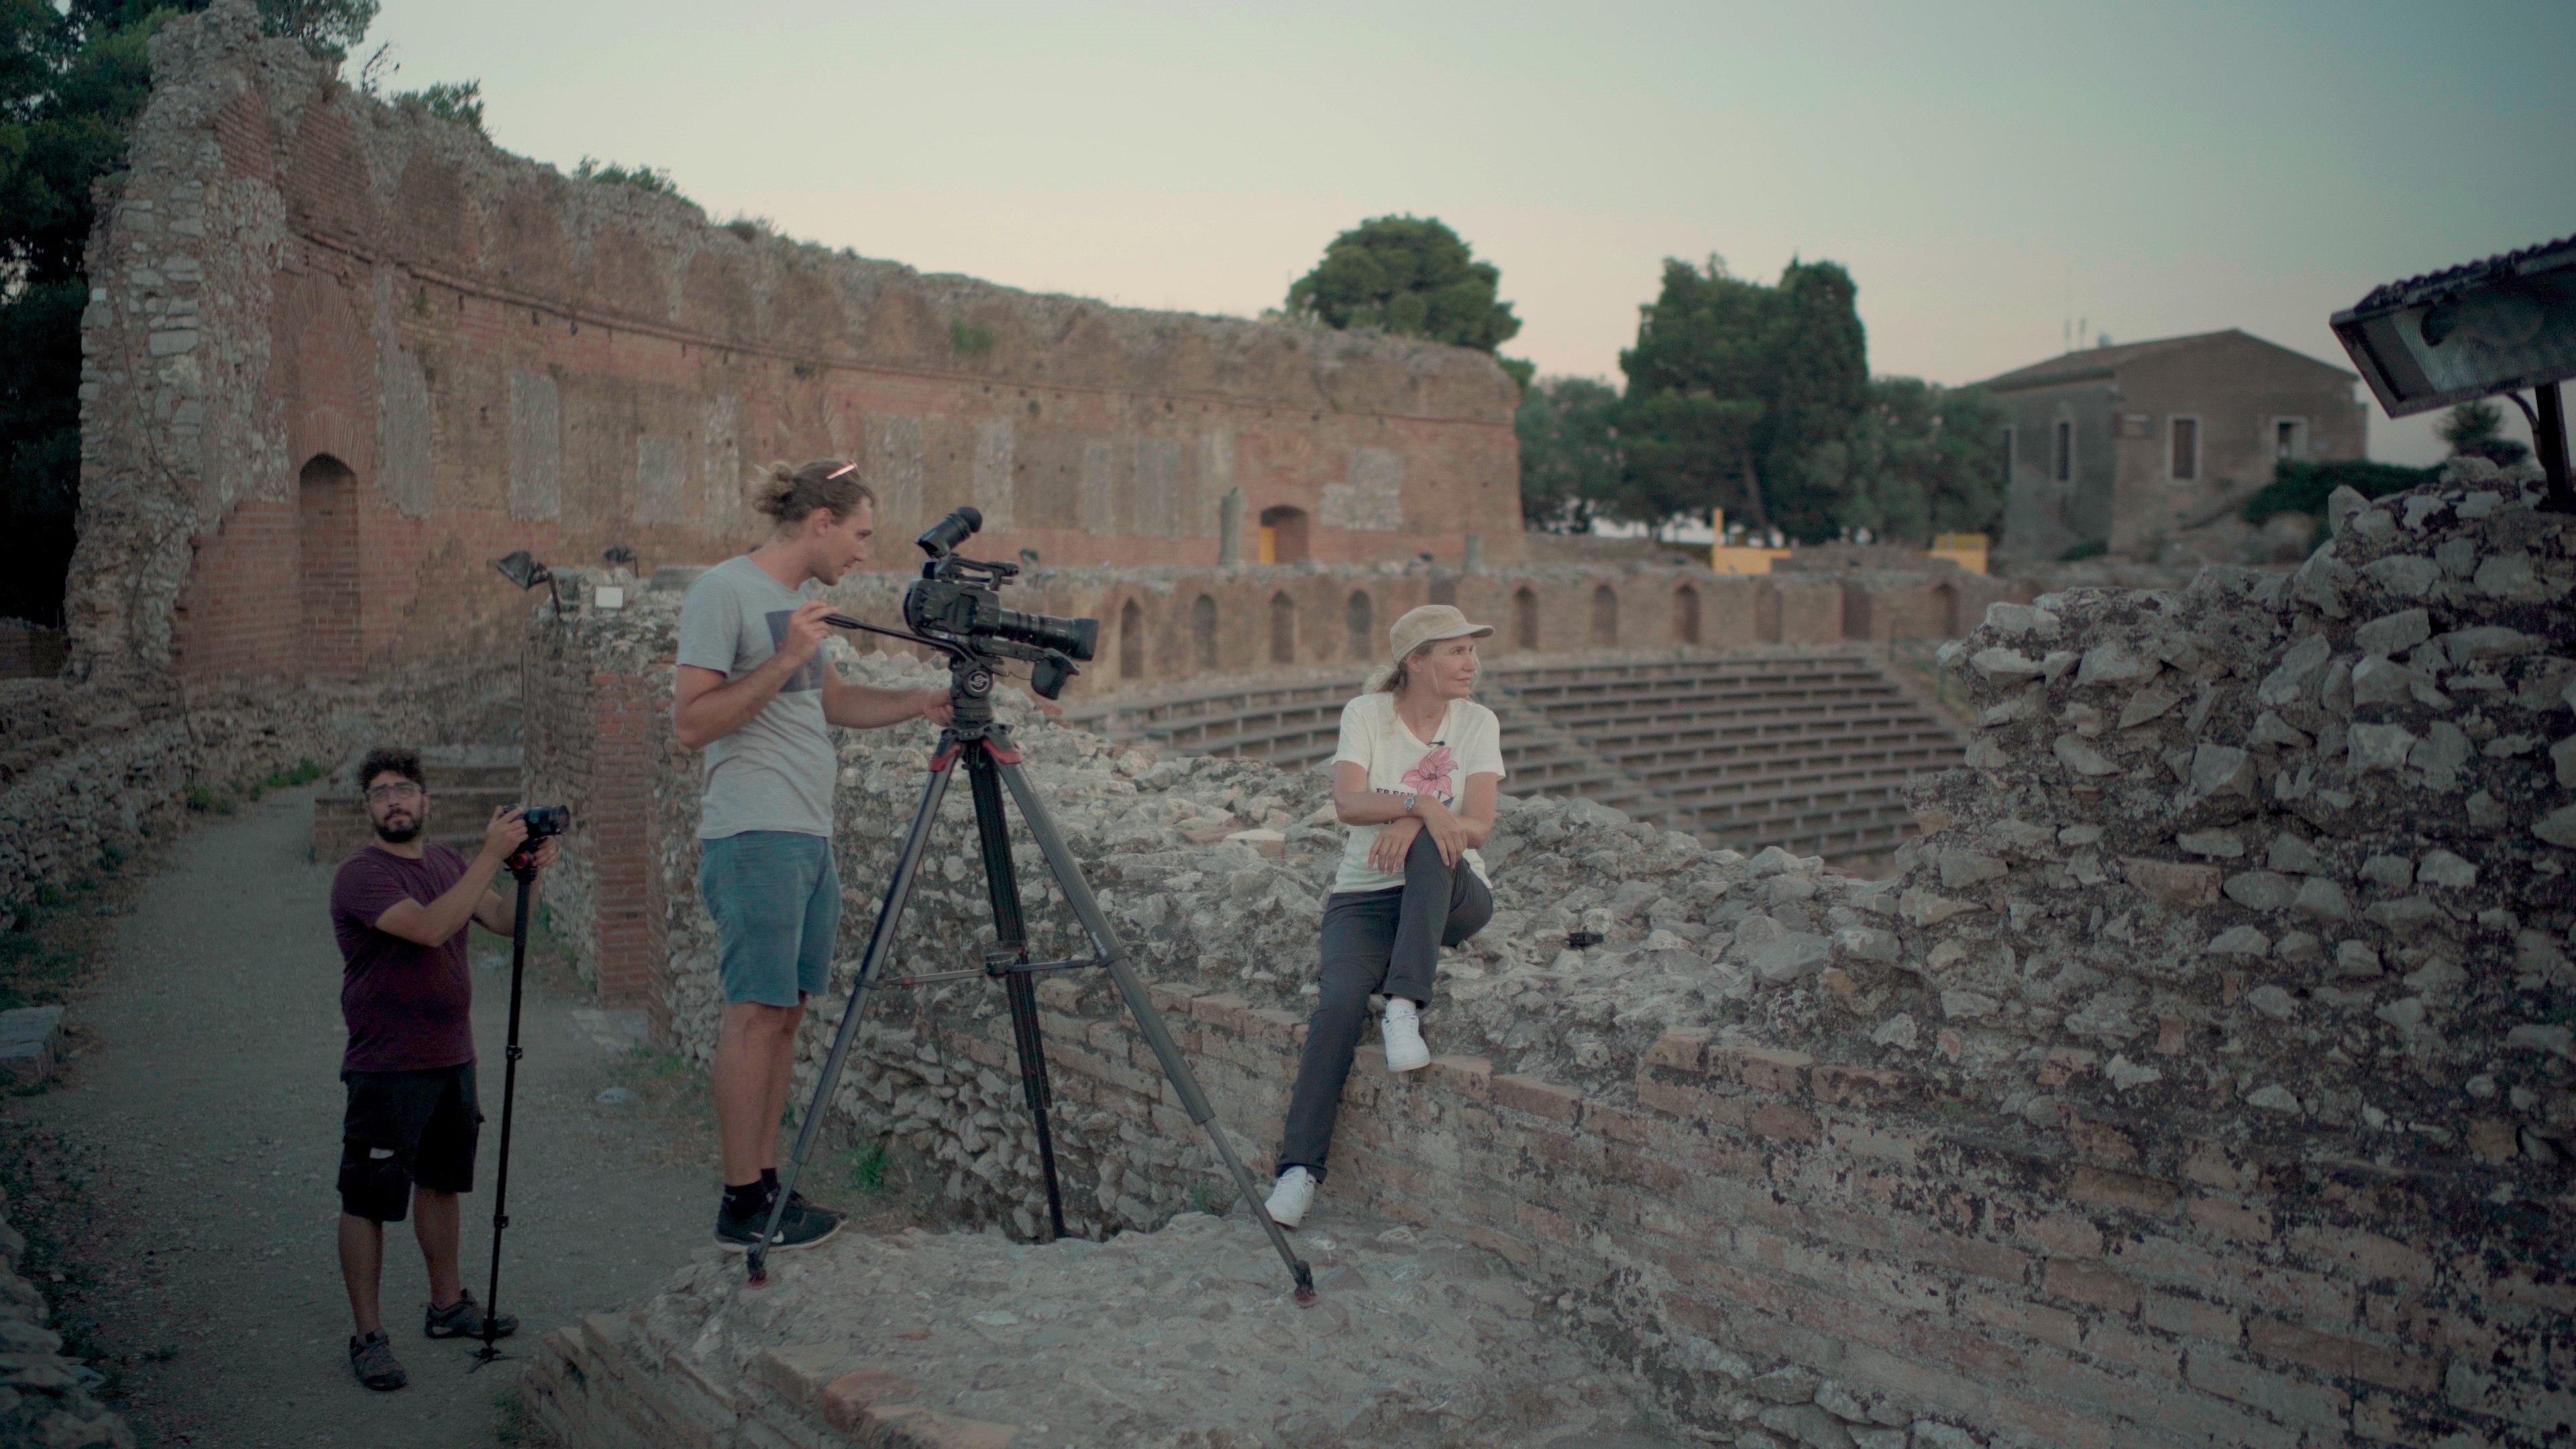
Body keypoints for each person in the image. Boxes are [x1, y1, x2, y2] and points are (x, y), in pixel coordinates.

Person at [674, 458, 953, 1253]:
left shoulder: (795, 606)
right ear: (821, 521)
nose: (865, 553)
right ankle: (738, 1202)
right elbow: (692, 724)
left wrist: (917, 703)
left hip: (807, 833)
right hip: (753, 831)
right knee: (754, 1013)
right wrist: (786, 658)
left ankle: (769, 1188)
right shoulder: (722, 592)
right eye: (860, 534)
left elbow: (830, 704)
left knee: (787, 1015)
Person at [1265, 604, 1504, 1230]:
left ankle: (1404, 1002)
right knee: (1339, 1001)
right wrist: (1420, 801)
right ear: (1415, 661)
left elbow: (1476, 824)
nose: (1470, 664)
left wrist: (1421, 820)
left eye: (1472, 652)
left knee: (1433, 839)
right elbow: (1346, 802)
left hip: (1453, 893)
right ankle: (1298, 1171)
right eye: (1456, 652)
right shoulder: (1365, 715)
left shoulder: (1477, 722)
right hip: (1366, 896)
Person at [331, 746, 559, 1392]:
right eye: (380, 793)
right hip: (386, 1064)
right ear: (369, 808)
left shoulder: (446, 862)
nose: (394, 800)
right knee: (368, 1199)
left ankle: (447, 1304)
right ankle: (368, 1335)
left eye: (404, 788)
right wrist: (491, 854)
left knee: (440, 1184)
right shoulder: (360, 876)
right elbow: (432, 929)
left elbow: (507, 923)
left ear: (426, 800)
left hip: (453, 1057)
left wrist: (527, 873)